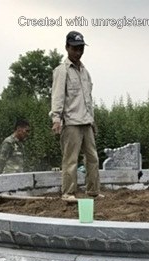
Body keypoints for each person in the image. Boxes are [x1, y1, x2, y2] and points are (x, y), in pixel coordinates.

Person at [50, 30, 101, 199]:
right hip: (71, 122)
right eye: (75, 48)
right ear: (67, 47)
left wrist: (92, 120)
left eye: (81, 49)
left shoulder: (85, 72)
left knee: (93, 158)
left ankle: (93, 191)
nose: (78, 52)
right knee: (71, 159)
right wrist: (56, 119)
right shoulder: (62, 71)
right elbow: (57, 96)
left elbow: (88, 99)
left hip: (86, 121)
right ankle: (68, 192)